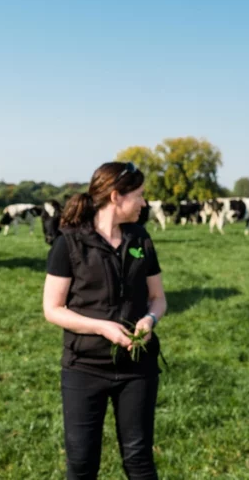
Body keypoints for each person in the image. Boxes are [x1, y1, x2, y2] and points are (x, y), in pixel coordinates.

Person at [42, 161, 168, 480]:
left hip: (138, 368)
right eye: (138, 195)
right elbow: (53, 309)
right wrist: (102, 327)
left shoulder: (141, 239)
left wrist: (150, 320)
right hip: (84, 367)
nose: (144, 203)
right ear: (116, 197)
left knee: (139, 461)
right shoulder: (68, 243)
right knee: (82, 465)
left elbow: (158, 298)